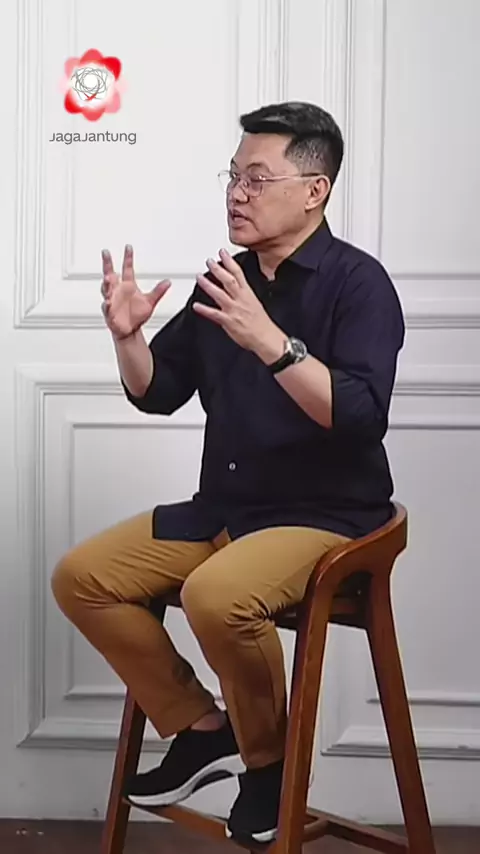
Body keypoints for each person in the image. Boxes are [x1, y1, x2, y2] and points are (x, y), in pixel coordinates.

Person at [51, 100, 405, 845]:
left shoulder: (359, 284)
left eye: (257, 178)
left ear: (314, 190)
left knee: (215, 595)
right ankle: (202, 728)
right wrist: (129, 338)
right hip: (228, 509)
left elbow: (360, 415)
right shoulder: (227, 281)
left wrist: (271, 342)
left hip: (327, 516)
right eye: (233, 176)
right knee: (82, 577)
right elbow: (159, 390)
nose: (236, 194)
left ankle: (268, 767)